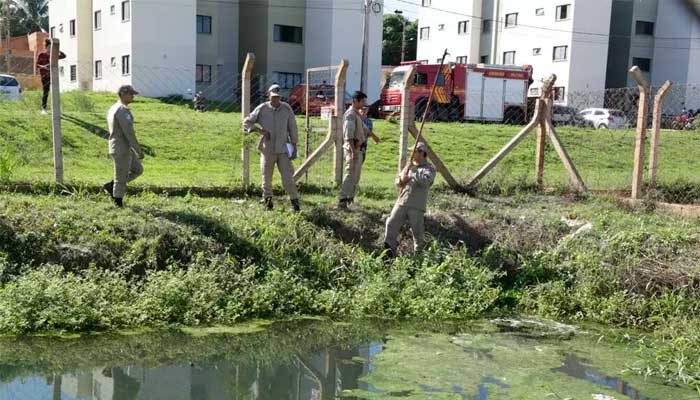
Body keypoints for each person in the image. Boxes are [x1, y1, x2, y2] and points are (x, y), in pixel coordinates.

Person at [243, 84, 301, 212]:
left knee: (288, 178)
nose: (275, 100)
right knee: (266, 178)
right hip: (267, 149)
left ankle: (295, 203)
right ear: (268, 95)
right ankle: (268, 202)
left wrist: (294, 146)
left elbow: (293, 127)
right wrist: (259, 130)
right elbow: (247, 122)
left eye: (278, 97)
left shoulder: (286, 109)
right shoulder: (262, 108)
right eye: (273, 97)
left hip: (283, 149)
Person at [383, 142, 436, 258]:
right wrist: (401, 180)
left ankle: (418, 257)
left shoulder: (429, 168)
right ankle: (388, 252)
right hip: (402, 201)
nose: (411, 154)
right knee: (390, 223)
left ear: (422, 153)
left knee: (417, 233)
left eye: (414, 152)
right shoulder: (409, 165)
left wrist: (413, 172)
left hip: (416, 205)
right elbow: (397, 181)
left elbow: (426, 181)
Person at [103, 85, 144, 208]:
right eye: (131, 94)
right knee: (120, 176)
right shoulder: (121, 110)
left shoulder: (114, 107)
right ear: (123, 94)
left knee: (138, 170)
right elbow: (129, 132)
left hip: (123, 147)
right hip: (121, 147)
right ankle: (118, 202)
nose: (133, 96)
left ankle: (112, 185)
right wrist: (138, 150)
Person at [338, 91, 371, 209]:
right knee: (350, 174)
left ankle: (350, 199)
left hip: (358, 149)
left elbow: (363, 128)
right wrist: (352, 152)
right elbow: (349, 135)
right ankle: (342, 199)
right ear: (355, 101)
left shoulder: (357, 114)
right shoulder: (350, 115)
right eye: (362, 101)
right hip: (353, 149)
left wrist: (374, 136)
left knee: (356, 176)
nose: (364, 104)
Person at [36, 38, 66, 115]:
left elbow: (63, 56)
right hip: (45, 76)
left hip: (53, 75)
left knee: (55, 92)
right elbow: (37, 65)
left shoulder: (54, 55)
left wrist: (57, 49)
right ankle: (44, 108)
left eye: (51, 47)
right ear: (46, 47)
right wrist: (44, 66)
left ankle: (56, 109)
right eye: (49, 47)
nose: (50, 49)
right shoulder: (42, 55)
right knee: (46, 92)